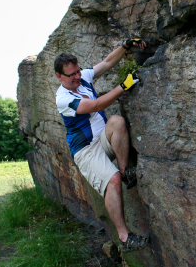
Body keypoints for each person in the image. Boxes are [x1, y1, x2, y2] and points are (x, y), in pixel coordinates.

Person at [54, 39, 149, 252]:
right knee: (112, 180)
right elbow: (96, 105)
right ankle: (125, 237)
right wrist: (124, 86)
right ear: (59, 77)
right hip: (86, 151)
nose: (78, 76)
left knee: (116, 121)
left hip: (103, 139)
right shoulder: (63, 98)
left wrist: (126, 46)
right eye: (72, 75)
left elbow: (107, 62)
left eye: (78, 71)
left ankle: (126, 171)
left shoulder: (81, 79)